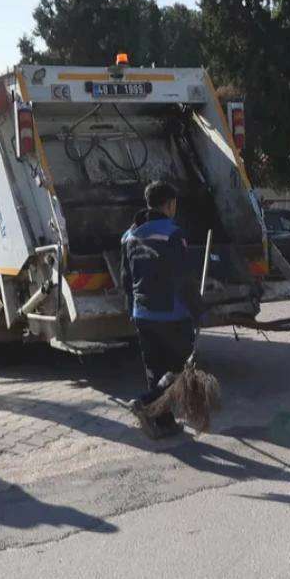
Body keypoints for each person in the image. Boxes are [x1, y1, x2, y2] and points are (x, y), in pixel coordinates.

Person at [120, 181, 203, 439]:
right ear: (170, 204)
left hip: (142, 313)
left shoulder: (129, 236)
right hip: (172, 314)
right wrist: (199, 310)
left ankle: (164, 422)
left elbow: (125, 277)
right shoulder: (172, 233)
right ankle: (144, 402)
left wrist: (131, 308)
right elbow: (184, 278)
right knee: (179, 369)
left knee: (155, 370)